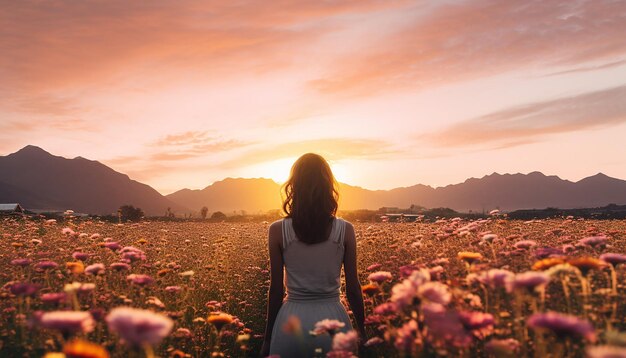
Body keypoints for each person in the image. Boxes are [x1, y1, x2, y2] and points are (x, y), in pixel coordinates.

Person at [260, 153, 366, 357]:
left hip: (291, 322)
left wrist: (267, 339)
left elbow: (275, 291)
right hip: (334, 321)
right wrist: (362, 331)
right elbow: (353, 288)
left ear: (294, 186)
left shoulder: (277, 230)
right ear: (328, 186)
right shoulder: (345, 230)